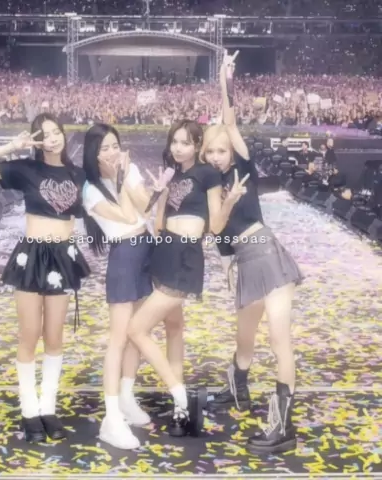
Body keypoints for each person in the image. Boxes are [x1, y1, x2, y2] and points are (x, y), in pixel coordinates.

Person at [0, 113, 90, 444]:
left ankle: (47, 408)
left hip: (63, 257)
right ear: (37, 140)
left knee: (54, 337)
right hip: (33, 256)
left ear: (64, 134)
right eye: (45, 134)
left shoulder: (78, 174)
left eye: (56, 131)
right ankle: (29, 409)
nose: (53, 138)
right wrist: (13, 146)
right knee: (30, 334)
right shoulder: (26, 169)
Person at [202, 51, 303, 454]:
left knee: (279, 340)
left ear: (232, 151)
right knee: (244, 337)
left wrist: (225, 80)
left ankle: (283, 426)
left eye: (220, 150)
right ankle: (237, 389)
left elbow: (229, 121)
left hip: (266, 254)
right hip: (244, 263)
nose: (215, 156)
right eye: (210, 151)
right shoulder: (211, 185)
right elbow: (216, 230)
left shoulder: (243, 167)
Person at [127, 119, 248, 438]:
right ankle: (179, 407)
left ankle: (180, 395)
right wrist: (158, 193)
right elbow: (157, 221)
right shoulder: (172, 174)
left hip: (185, 257)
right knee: (174, 328)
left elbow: (216, 225)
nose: (178, 148)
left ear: (197, 145)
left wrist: (230, 200)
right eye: (174, 142)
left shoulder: (208, 174)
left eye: (185, 143)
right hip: (164, 251)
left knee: (136, 329)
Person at [81, 123, 185, 449]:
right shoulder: (90, 189)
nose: (112, 152)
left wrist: (128, 178)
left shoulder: (131, 169)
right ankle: (111, 418)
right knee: (118, 338)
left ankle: (126, 396)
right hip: (124, 257)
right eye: (105, 148)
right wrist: (120, 180)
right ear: (93, 154)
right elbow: (127, 217)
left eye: (115, 145)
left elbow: (143, 207)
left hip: (146, 250)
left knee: (138, 332)